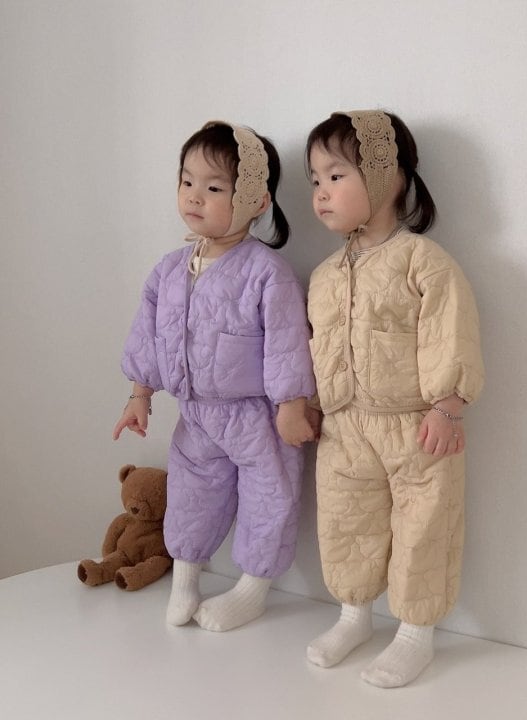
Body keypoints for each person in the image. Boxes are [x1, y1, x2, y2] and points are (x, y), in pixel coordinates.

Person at [113, 121, 316, 632]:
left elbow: (288, 340)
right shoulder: (168, 270)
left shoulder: (267, 272)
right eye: (186, 181)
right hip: (196, 415)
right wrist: (140, 394)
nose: (194, 196)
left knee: (270, 493)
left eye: (213, 187)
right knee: (191, 490)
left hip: (256, 417)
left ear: (255, 201)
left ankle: (252, 589)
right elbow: (147, 333)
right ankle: (185, 576)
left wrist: (291, 403)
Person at [304, 110, 484, 687]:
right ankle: (353, 616)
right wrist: (313, 403)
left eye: (336, 176)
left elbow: (449, 333)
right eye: (315, 180)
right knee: (344, 519)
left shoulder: (423, 261)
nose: (321, 192)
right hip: (344, 428)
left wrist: (448, 404)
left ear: (389, 177)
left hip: (415, 428)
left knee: (423, 526)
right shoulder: (325, 274)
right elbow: (318, 346)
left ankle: (415, 633)